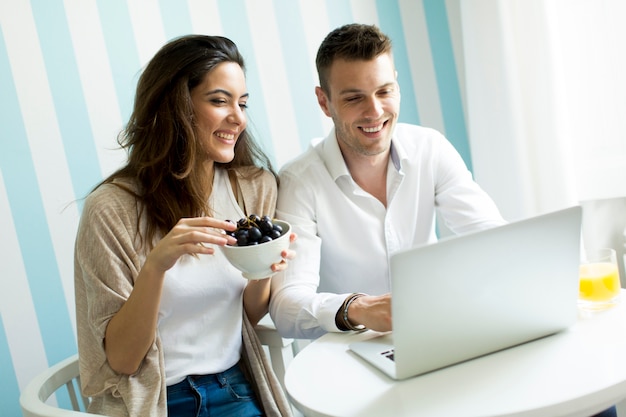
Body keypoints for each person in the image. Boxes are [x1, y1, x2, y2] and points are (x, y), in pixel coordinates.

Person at [268, 23, 618, 417]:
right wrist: (358, 308)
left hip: (444, 337)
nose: (375, 111)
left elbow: (492, 239)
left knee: (584, 402)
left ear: (397, 85)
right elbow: (286, 306)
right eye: (354, 98)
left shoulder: (428, 148)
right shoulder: (300, 182)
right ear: (324, 101)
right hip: (359, 357)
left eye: (385, 91)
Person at [74, 35, 294, 417]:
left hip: (235, 388)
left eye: (242, 104)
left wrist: (263, 269)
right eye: (219, 101)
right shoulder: (111, 209)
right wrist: (156, 266)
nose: (238, 118)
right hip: (156, 401)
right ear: (176, 106)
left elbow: (248, 316)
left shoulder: (253, 189)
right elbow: (124, 361)